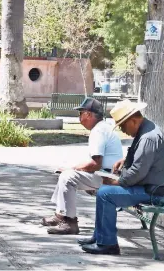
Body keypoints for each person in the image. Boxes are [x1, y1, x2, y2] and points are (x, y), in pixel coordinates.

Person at [80, 99, 164, 255]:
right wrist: (125, 161)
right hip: (148, 186)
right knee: (104, 191)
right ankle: (100, 237)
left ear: (133, 120)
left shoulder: (148, 137)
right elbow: (141, 160)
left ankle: (108, 245)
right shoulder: (145, 130)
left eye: (122, 125)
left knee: (106, 193)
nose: (123, 130)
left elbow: (138, 172)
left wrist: (118, 181)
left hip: (153, 192)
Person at [41, 98, 123, 235]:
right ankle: (60, 215)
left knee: (68, 177)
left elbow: (95, 164)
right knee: (66, 173)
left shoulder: (98, 131)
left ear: (89, 115)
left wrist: (72, 169)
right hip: (108, 175)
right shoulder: (102, 128)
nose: (79, 117)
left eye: (81, 113)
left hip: (108, 179)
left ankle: (69, 222)